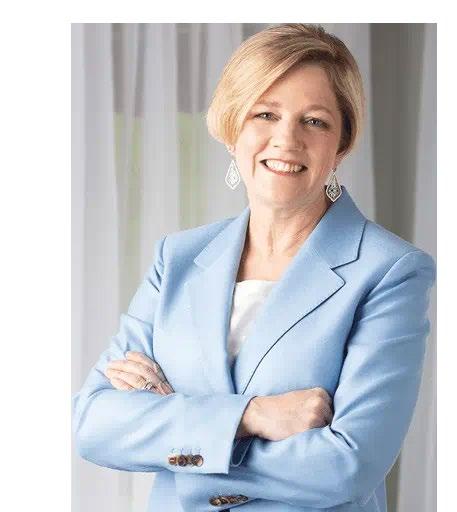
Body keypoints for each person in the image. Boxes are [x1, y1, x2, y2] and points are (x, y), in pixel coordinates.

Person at [72, 24, 436, 512]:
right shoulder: (177, 258)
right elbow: (94, 423)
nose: (286, 139)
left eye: (315, 121)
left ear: (342, 145)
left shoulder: (390, 271)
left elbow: (347, 465)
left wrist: (183, 451)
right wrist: (252, 415)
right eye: (265, 114)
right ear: (232, 130)